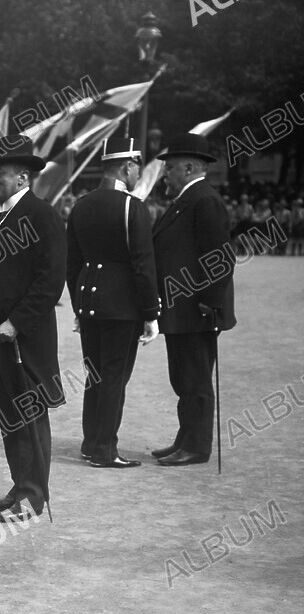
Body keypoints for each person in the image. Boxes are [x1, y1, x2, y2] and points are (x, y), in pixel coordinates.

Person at [0, 135, 66, 522]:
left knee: (30, 414)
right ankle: (21, 486)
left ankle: (34, 496)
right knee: (10, 416)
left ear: (23, 177)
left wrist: (16, 323)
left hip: (24, 338)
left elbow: (50, 280)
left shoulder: (41, 214)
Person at [66, 137, 160, 468]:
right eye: (137, 167)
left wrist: (78, 307)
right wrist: (151, 313)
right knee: (114, 379)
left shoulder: (81, 204)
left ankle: (91, 442)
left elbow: (72, 264)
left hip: (89, 303)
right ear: (127, 166)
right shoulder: (132, 207)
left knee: (95, 376)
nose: (138, 174)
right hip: (122, 308)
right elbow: (143, 265)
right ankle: (105, 449)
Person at [152, 133, 235, 467]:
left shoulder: (204, 200)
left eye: (169, 168)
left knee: (195, 380)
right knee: (183, 378)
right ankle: (185, 439)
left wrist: (209, 302)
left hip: (197, 310)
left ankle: (197, 446)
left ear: (188, 168)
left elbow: (220, 257)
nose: (165, 174)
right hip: (182, 309)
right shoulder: (189, 199)